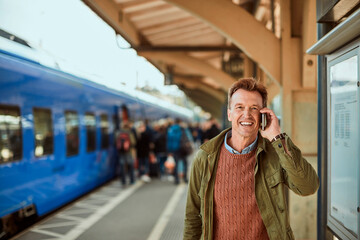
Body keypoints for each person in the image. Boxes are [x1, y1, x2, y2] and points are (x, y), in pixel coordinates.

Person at [183, 78, 319, 240]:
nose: (246, 114)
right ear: (229, 113)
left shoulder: (275, 153)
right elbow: (192, 216)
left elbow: (308, 187)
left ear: (263, 114)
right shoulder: (205, 157)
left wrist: (277, 137)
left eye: (254, 108)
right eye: (239, 107)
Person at [115, 121, 136, 187]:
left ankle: (123, 182)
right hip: (128, 152)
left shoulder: (118, 133)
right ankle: (132, 180)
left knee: (122, 167)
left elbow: (115, 142)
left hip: (121, 152)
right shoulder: (129, 133)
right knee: (130, 166)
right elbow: (133, 142)